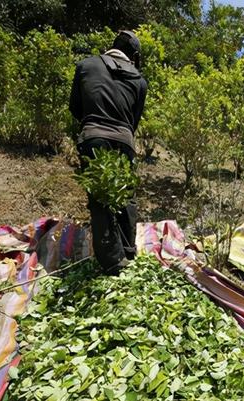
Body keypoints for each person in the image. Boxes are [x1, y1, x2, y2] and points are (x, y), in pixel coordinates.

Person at [69, 30, 148, 274]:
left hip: (93, 136)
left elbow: (75, 107)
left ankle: (113, 263)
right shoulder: (139, 81)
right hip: (124, 140)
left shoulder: (86, 65)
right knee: (126, 196)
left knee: (100, 199)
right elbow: (133, 121)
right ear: (134, 56)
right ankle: (127, 251)